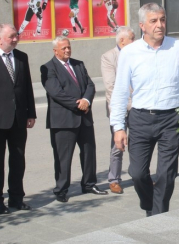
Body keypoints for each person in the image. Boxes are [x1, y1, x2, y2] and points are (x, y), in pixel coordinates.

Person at [110, 3, 179, 216]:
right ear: (142, 26)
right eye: (154, 21)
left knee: (166, 175)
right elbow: (120, 91)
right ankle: (149, 204)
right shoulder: (129, 53)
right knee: (137, 173)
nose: (160, 25)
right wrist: (118, 127)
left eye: (163, 19)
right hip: (140, 119)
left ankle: (158, 217)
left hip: (171, 119)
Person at [41, 36, 107, 203]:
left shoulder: (78, 64)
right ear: (55, 50)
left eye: (69, 47)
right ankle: (61, 189)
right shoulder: (48, 68)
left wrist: (86, 100)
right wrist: (78, 104)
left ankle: (89, 184)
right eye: (63, 48)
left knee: (88, 152)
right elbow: (56, 92)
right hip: (63, 121)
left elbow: (90, 85)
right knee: (64, 157)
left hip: (84, 118)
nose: (67, 50)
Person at [0, 24, 36, 213]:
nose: (15, 39)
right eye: (11, 36)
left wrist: (31, 113)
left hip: (19, 119)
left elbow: (27, 86)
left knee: (18, 160)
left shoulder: (21, 57)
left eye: (16, 36)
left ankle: (16, 198)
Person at [101, 26, 135, 194]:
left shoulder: (136, 54)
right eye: (132, 38)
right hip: (119, 108)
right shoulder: (109, 57)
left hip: (137, 107)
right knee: (118, 145)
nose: (135, 41)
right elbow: (111, 87)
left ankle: (140, 175)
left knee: (138, 143)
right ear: (122, 40)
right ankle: (114, 179)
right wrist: (128, 104)